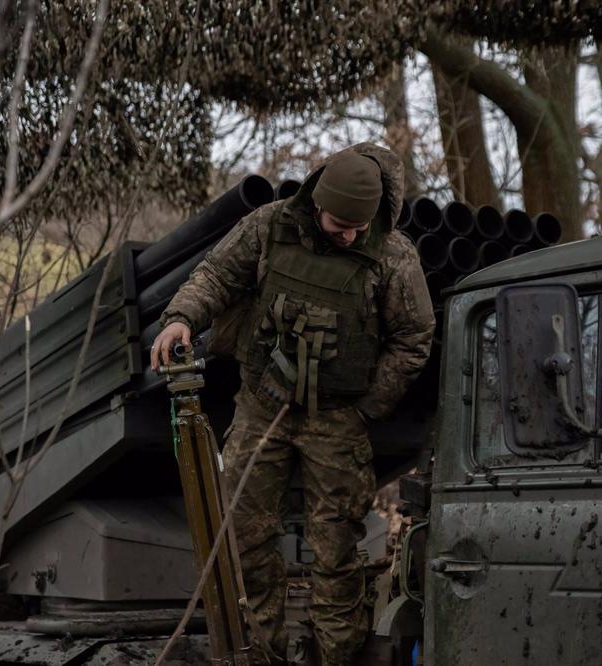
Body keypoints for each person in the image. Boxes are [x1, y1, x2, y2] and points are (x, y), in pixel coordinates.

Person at [150, 143, 434, 665]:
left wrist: (368, 406)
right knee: (243, 534)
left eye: (358, 227)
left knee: (337, 550)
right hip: (263, 404)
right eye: (339, 224)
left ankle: (336, 658)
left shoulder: (393, 255)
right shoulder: (269, 226)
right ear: (317, 202)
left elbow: (414, 337)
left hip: (338, 418)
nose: (348, 236)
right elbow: (216, 275)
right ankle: (260, 655)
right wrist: (181, 318)